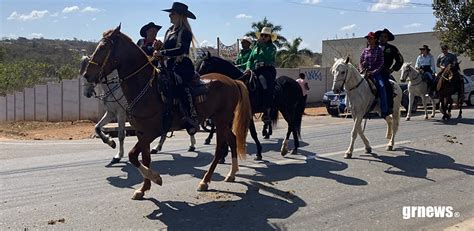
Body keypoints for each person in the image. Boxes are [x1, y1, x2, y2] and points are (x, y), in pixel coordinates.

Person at [153, 2, 198, 135]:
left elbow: (181, 49)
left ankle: (190, 117)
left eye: (172, 13)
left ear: (180, 16)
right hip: (169, 65)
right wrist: (159, 48)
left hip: (182, 66)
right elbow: (166, 49)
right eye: (170, 13)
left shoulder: (185, 32)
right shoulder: (169, 31)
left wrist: (164, 53)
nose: (170, 16)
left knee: (178, 83)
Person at [245, 26, 277, 113]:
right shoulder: (255, 47)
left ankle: (267, 108)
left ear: (269, 37)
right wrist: (248, 68)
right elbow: (250, 60)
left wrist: (261, 45)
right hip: (255, 70)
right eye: (262, 35)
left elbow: (267, 56)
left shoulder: (272, 47)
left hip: (267, 70)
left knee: (265, 84)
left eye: (266, 36)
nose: (263, 37)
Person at [360, 32, 388, 118]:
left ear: (375, 39)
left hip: (376, 74)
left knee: (382, 86)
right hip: (365, 73)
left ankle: (384, 110)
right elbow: (360, 62)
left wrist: (374, 72)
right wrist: (361, 69)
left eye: (371, 38)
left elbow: (381, 63)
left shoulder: (379, 50)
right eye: (368, 38)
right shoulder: (365, 51)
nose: (369, 40)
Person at [375, 28, 403, 113]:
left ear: (387, 38)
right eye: (381, 36)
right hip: (372, 71)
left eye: (385, 37)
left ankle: (389, 107)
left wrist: (392, 69)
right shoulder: (373, 47)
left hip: (384, 71)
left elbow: (400, 60)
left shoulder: (392, 48)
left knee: (387, 86)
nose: (383, 38)